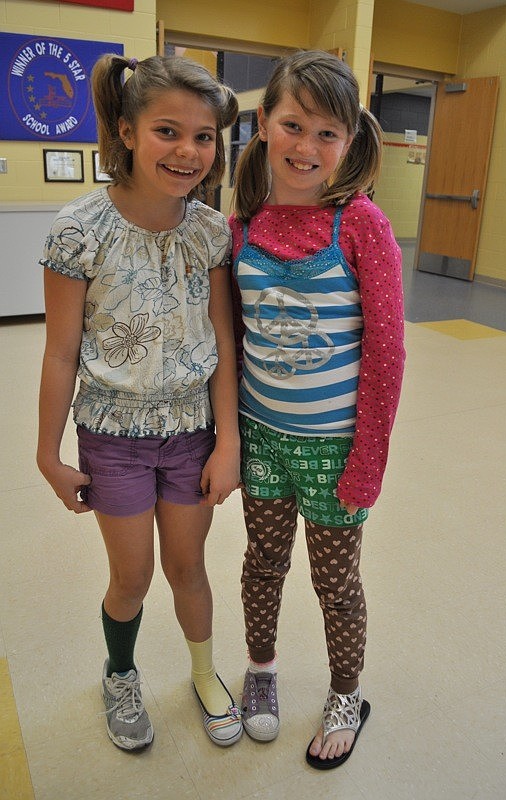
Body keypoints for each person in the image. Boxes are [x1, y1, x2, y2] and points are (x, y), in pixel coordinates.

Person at [36, 53, 243, 751]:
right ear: (125, 131)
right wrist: (47, 452)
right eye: (167, 131)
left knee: (189, 569)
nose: (187, 151)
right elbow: (61, 351)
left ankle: (205, 672)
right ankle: (119, 672)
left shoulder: (212, 233)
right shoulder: (78, 230)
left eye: (204, 137)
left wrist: (227, 442)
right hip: (112, 437)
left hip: (191, 433)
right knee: (133, 576)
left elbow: (221, 339)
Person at [229, 50, 406, 769]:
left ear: (349, 140)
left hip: (334, 449)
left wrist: (367, 461)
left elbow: (387, 355)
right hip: (260, 437)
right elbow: (231, 341)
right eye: (292, 124)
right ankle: (262, 670)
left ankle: (344, 692)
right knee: (262, 562)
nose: (306, 147)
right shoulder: (241, 223)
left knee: (334, 583)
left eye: (326, 133)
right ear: (265, 122)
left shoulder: (361, 225)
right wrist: (228, 442)